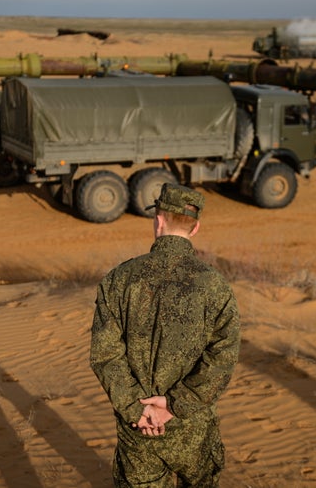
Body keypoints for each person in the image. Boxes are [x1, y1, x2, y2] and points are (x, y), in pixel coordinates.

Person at [90, 183, 241, 487]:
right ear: (195, 228)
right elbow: (222, 359)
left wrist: (137, 408)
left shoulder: (120, 279)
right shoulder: (216, 286)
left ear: (158, 221)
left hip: (140, 429)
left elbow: (105, 355)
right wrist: (175, 406)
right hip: (193, 429)